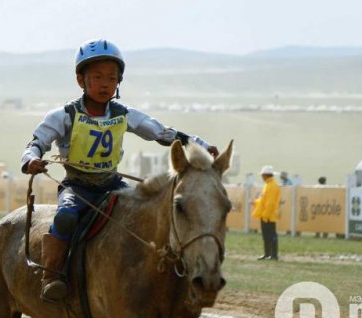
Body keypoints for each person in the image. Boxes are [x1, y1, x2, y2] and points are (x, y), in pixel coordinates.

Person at [21, 38, 218, 302]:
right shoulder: (63, 115)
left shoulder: (124, 113)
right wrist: (31, 160)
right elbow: (36, 143)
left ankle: (165, 272)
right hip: (77, 187)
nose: (105, 83)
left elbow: (161, 133)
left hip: (112, 185)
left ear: (118, 82)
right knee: (66, 217)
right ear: (81, 80)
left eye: (112, 78)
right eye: (98, 77)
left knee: (150, 212)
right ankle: (52, 276)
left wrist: (201, 146)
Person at [252, 165, 281, 260]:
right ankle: (268, 254)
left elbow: (270, 203)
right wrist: (256, 202)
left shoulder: (272, 186)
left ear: (266, 175)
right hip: (266, 215)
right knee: (266, 235)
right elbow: (264, 200)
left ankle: (273, 255)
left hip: (269, 216)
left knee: (271, 235)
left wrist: (266, 215)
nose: (261, 177)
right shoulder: (268, 185)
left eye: (262, 175)